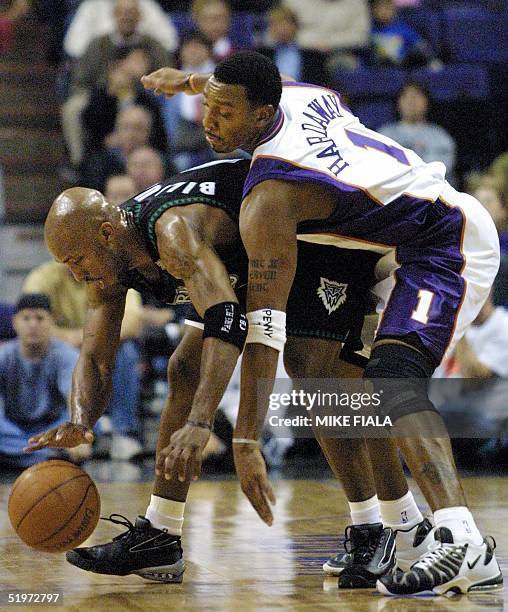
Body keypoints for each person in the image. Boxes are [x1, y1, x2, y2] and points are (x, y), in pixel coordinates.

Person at [140, 51, 503, 596]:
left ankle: (463, 540)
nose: (209, 121)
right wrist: (189, 81)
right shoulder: (300, 94)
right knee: (335, 381)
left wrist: (245, 439)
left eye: (225, 111)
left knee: (392, 383)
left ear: (263, 115)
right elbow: (274, 78)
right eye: (206, 106)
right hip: (392, 252)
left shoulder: (269, 197)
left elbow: (266, 325)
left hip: (445, 244)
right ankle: (402, 528)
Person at [25, 160, 432, 586]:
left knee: (315, 374)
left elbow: (228, 321)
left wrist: (202, 422)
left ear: (106, 234)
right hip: (237, 257)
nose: (76, 274)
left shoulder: (172, 233)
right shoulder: (106, 259)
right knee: (184, 368)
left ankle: (377, 527)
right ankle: (161, 534)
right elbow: (94, 358)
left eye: (76, 260)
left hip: (309, 240)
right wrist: (79, 419)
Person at [23, 261, 144, 461]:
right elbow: (28, 318)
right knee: (58, 355)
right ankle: (72, 430)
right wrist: (72, 340)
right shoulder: (42, 277)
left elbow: (133, 323)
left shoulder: (112, 274)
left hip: (98, 345)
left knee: (128, 352)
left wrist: (84, 340)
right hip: (61, 348)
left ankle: (123, 431)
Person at [0, 293, 84, 467]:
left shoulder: (67, 355)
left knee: (87, 423)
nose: (33, 324)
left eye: (40, 318)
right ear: (15, 322)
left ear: (51, 321)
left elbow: (74, 395)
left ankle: (22, 456)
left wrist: (75, 430)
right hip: (13, 430)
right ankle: (48, 456)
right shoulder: (4, 356)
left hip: (51, 428)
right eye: (26, 318)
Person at [379, 81, 456, 181]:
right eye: (406, 97)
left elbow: (442, 169)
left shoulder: (440, 136)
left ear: (426, 102)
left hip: (430, 189)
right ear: (398, 102)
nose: (411, 102)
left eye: (416, 97)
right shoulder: (385, 134)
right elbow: (380, 166)